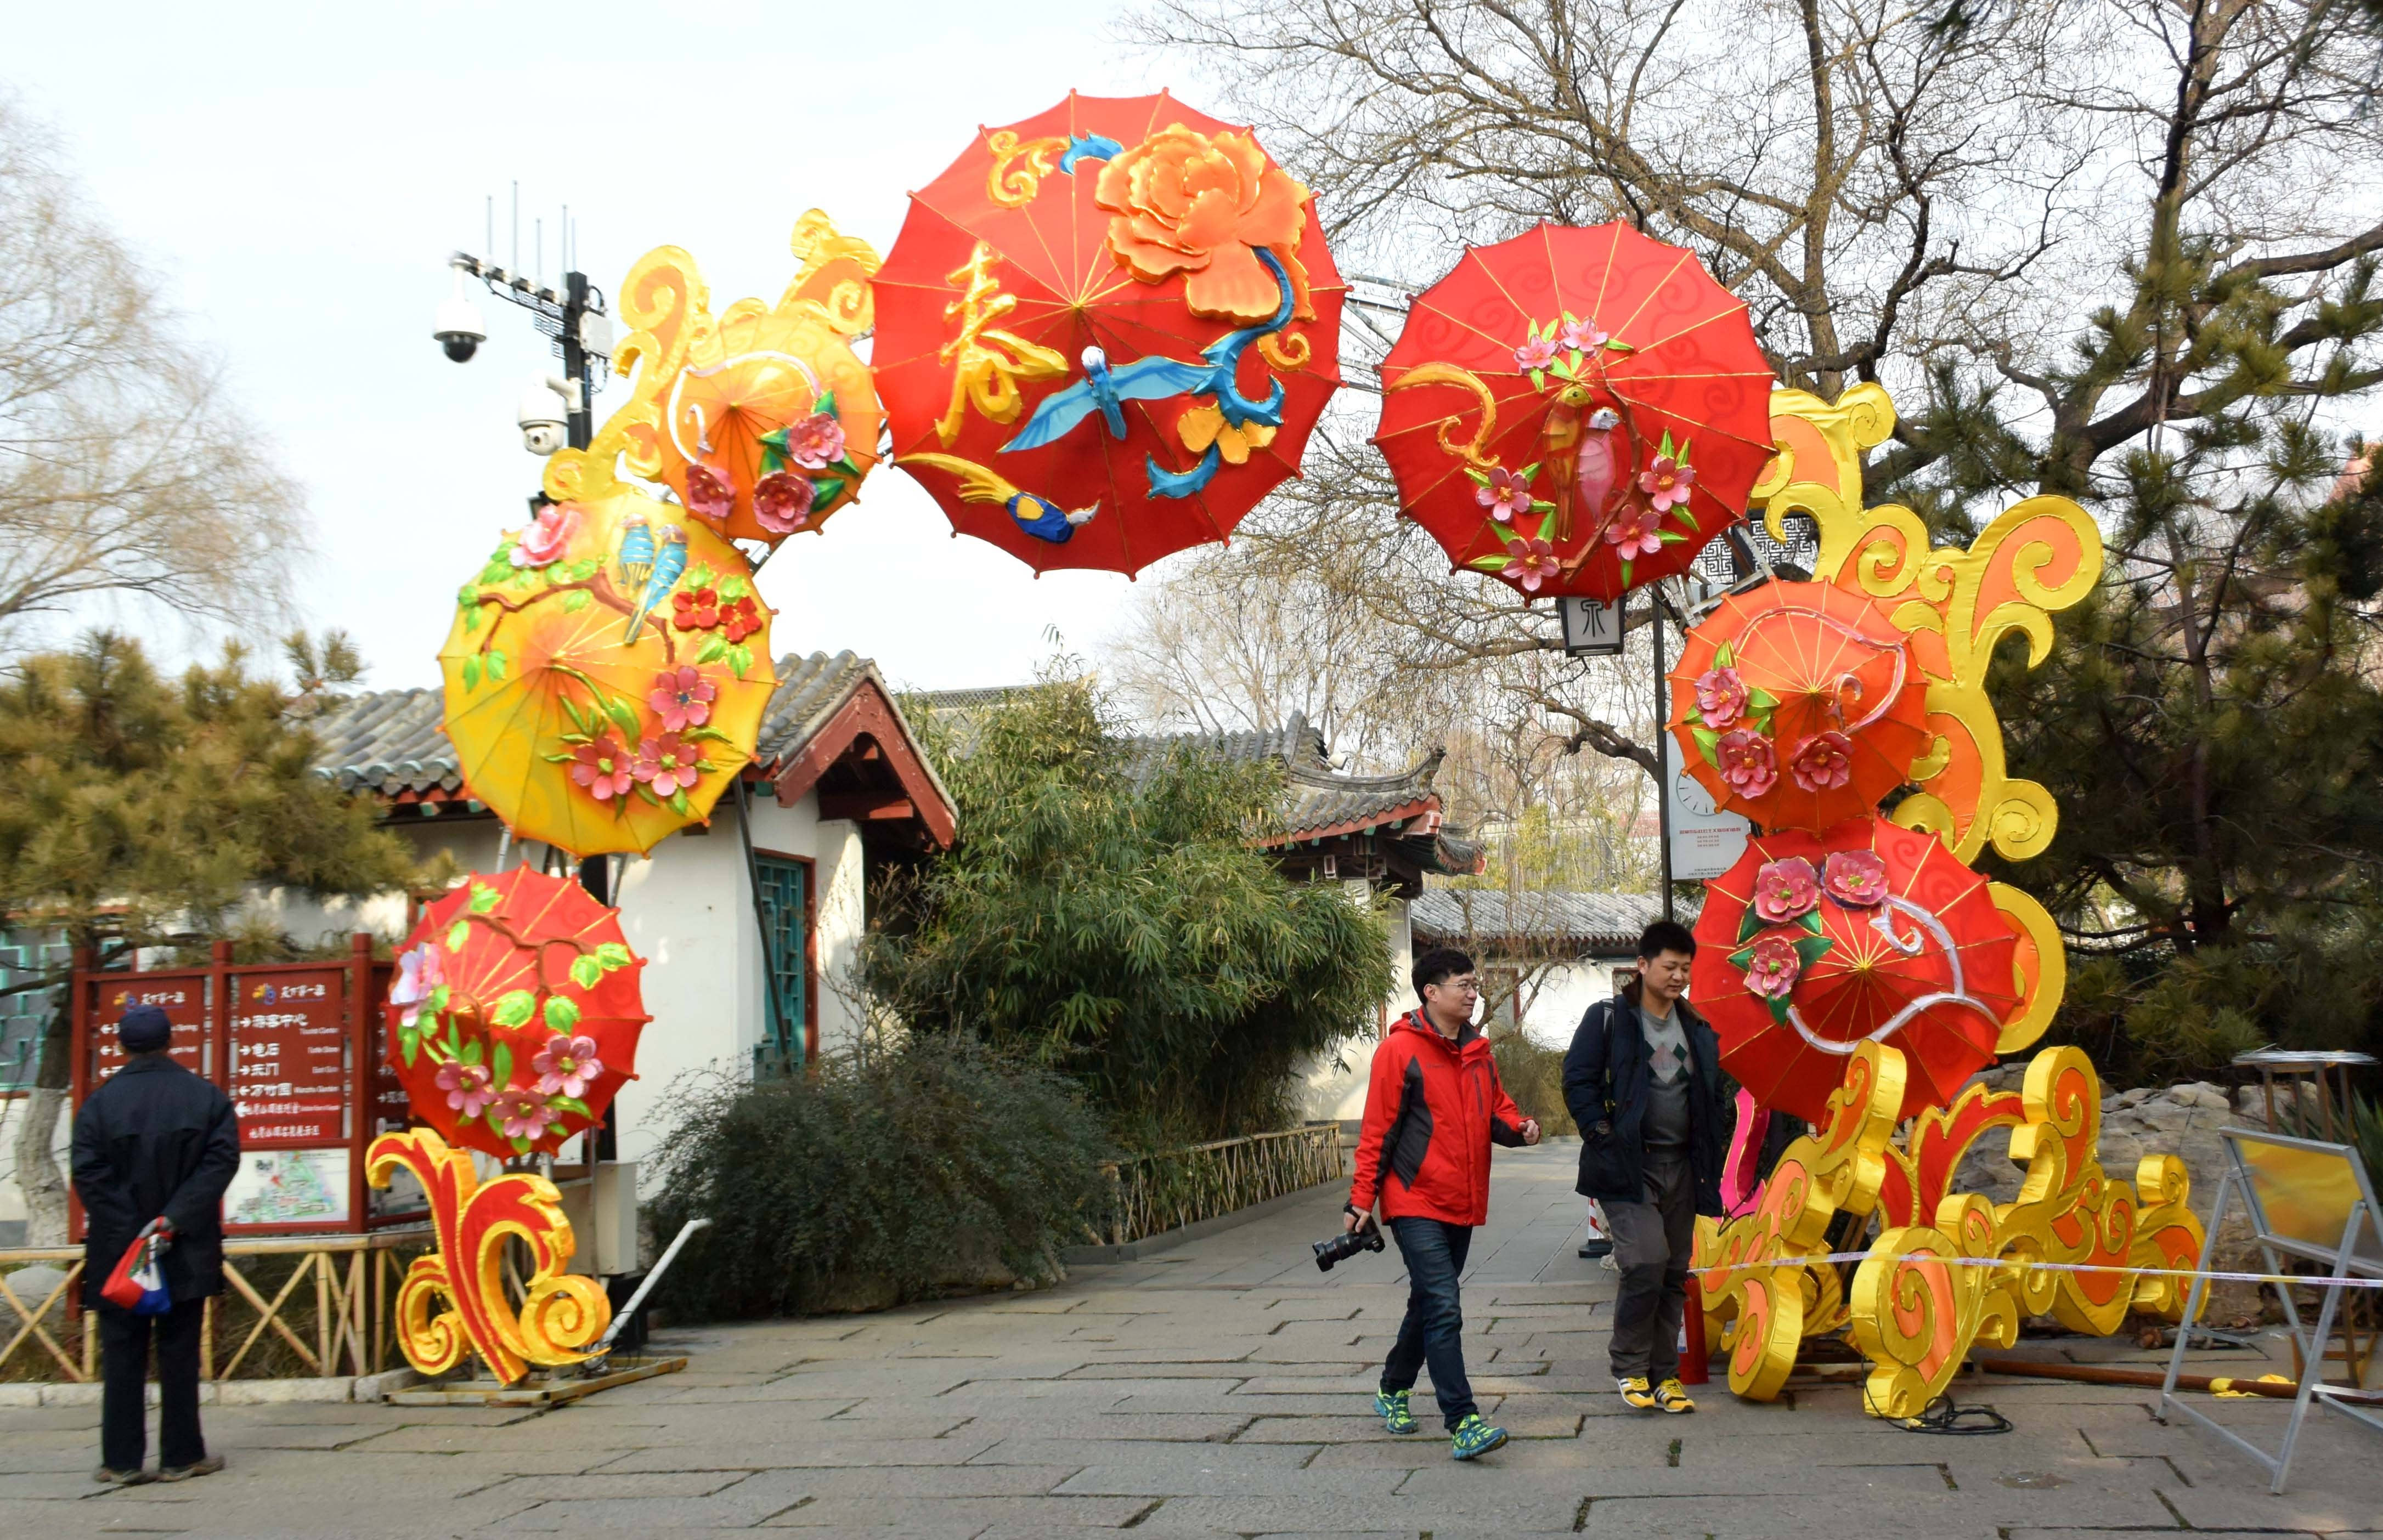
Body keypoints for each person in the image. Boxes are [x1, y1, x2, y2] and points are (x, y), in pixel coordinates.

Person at [1345, 947, 1540, 1460]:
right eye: (1463, 984)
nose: (1474, 993)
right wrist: (1361, 1198)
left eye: (1474, 984)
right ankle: (1463, 1420)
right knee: (1444, 1305)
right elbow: (1378, 1130)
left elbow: (1498, 1110)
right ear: (1431, 992)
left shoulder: (1478, 1051)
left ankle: (1391, 1388)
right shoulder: (1399, 1052)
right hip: (1413, 1198)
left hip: (1463, 1198)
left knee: (1428, 1303)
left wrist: (1521, 1129)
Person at [1562, 920, 1727, 1414]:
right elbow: (1578, 1080)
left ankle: (1665, 1377)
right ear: (1642, 965)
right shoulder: (1611, 1017)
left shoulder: (1696, 1027)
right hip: (1628, 1166)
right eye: (1669, 966)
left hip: (1684, 1165)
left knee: (1675, 1270)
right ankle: (1630, 1368)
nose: (1678, 977)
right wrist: (1601, 1134)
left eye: (1685, 969)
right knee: (1645, 1261)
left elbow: (1710, 1095)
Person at [71, 1004, 239, 1485]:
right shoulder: (206, 1098)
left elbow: (89, 1173)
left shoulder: (99, 1105)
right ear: (172, 1042)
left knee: (122, 1352)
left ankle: (121, 1461)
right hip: (184, 1247)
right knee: (180, 1351)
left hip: (119, 1250)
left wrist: (133, 1229)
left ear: (121, 1047)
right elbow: (220, 1163)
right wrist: (172, 1221)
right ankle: (182, 1456)